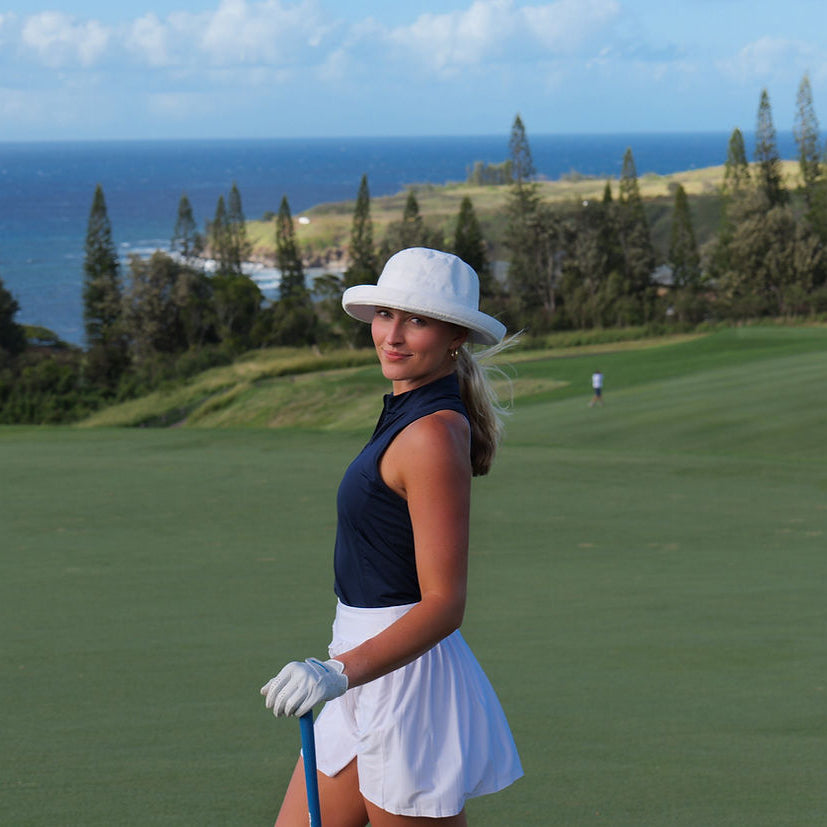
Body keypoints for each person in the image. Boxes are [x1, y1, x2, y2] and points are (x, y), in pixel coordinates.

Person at [260, 247, 523, 826]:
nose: (393, 334)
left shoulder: (431, 435)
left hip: (403, 681)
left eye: (417, 320)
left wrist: (337, 672)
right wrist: (342, 669)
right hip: (362, 664)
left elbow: (444, 606)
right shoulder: (412, 411)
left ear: (455, 335)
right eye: (385, 314)